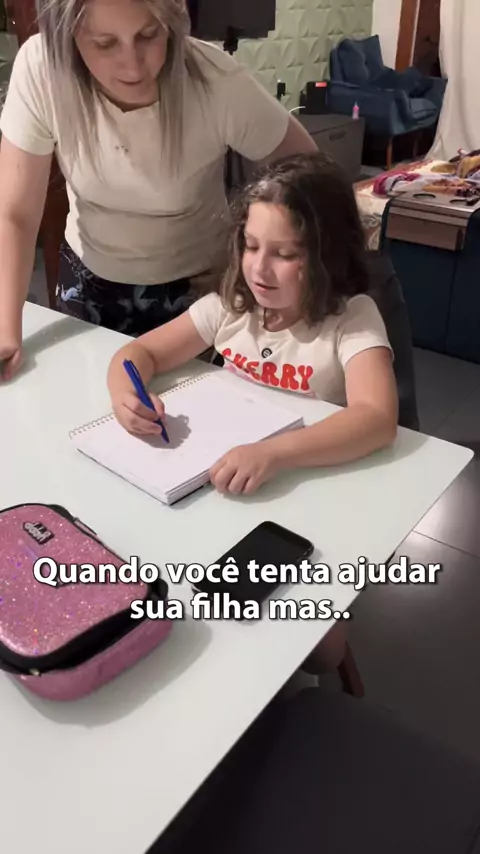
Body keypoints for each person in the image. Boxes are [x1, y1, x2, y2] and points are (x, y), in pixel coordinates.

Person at [106, 151, 399, 672]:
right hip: (222, 488)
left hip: (303, 491)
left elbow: (377, 417)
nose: (260, 269)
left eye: (285, 254)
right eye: (251, 245)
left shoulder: (350, 318)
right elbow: (139, 353)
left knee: (321, 653)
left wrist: (275, 453)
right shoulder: (232, 306)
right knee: (184, 606)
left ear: (328, 254)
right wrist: (125, 392)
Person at [0, 0, 317, 382]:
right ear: (68, 36)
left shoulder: (216, 81)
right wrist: (6, 327)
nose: (133, 66)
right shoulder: (42, 69)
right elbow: (15, 213)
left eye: (149, 35)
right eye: (105, 43)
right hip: (88, 285)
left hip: (198, 299)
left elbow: (313, 176)